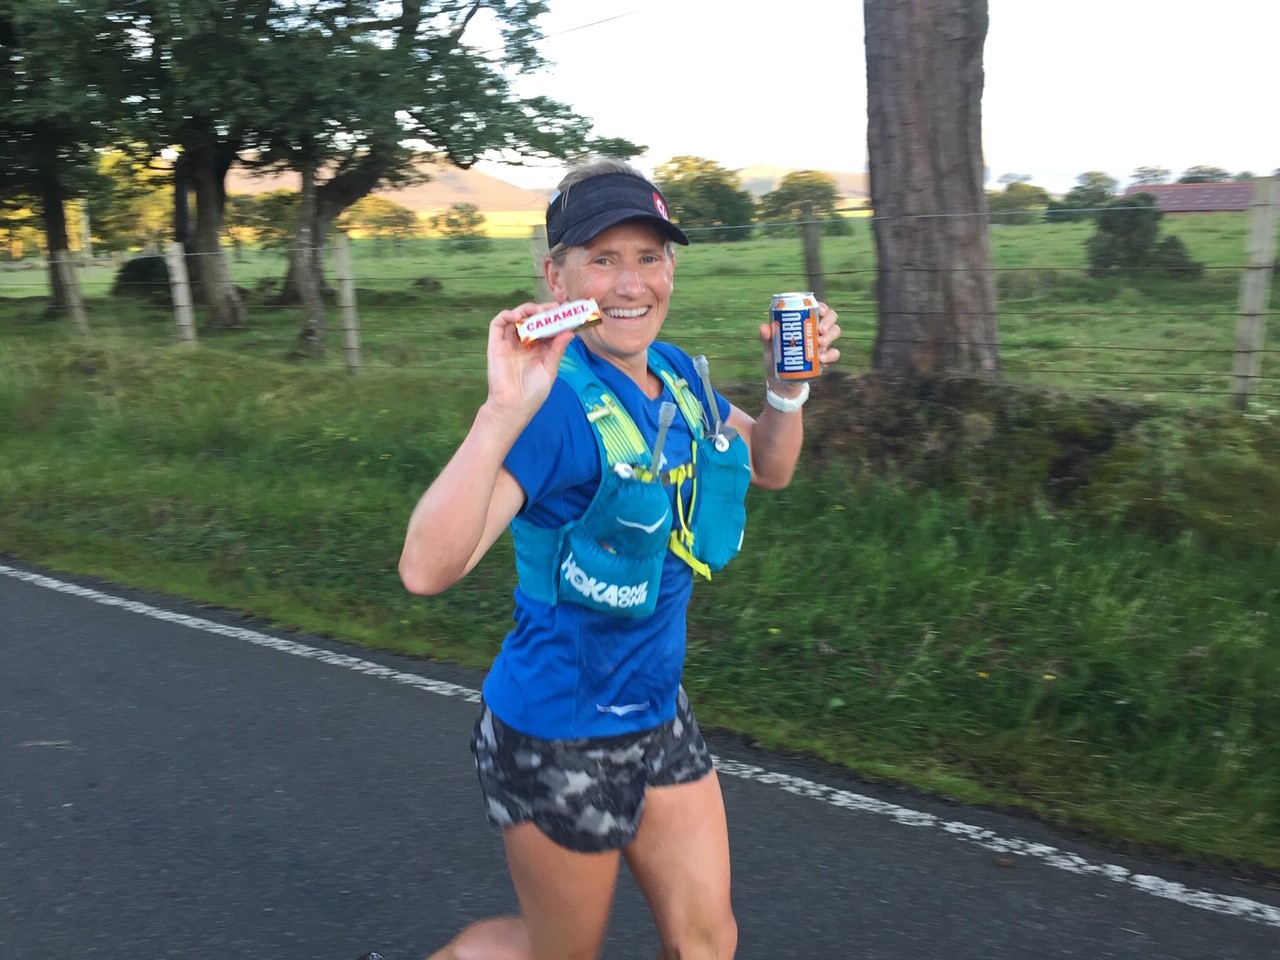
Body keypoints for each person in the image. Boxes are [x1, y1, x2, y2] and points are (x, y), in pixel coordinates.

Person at [399, 158, 841, 960]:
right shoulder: (551, 404)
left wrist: (787, 391)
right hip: (557, 735)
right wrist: (501, 412)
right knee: (555, 953)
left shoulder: (674, 375)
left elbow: (770, 466)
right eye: (602, 259)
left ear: (672, 268)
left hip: (656, 711)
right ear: (555, 273)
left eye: (648, 257)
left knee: (708, 942)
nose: (629, 283)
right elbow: (426, 569)